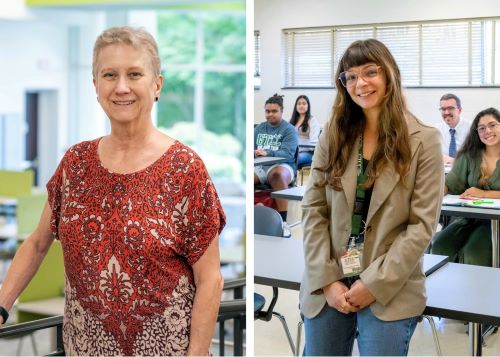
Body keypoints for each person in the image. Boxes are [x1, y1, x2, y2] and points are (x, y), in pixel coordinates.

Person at [0, 26, 225, 356]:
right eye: (109, 74)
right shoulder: (75, 163)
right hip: (83, 348)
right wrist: (3, 305)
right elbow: (36, 244)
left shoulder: (185, 169)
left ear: (156, 84)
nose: (121, 87)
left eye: (134, 74)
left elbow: (211, 280)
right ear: (96, 85)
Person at [299, 39, 444, 356]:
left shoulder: (425, 140)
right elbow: (313, 211)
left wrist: (374, 284)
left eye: (370, 72)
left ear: (390, 74)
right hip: (330, 276)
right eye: (350, 76)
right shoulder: (333, 133)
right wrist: (327, 281)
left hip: (390, 284)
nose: (359, 83)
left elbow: (421, 226)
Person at [432, 107, 500, 267]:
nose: (487, 131)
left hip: (496, 222)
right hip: (470, 218)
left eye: (492, 125)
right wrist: (436, 193)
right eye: (481, 128)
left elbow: (481, 193)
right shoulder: (470, 155)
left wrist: (483, 193)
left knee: (474, 252)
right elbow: (452, 182)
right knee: (440, 246)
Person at [254, 93, 298, 222]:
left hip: (283, 165)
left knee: (277, 175)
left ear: (281, 111)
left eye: (274, 111)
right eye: (267, 111)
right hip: (261, 166)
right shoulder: (259, 128)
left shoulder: (289, 129)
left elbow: (288, 153)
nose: (270, 114)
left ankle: (282, 221)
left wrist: (268, 153)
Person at [438, 93, 471, 165]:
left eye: (450, 108)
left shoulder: (471, 129)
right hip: (443, 172)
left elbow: (474, 156)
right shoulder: (436, 130)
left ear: (459, 110)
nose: (446, 112)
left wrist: (453, 161)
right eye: (443, 109)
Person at [289, 95, 321, 169]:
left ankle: (289, 178)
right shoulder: (293, 121)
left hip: (308, 153)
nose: (301, 106)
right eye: (299, 103)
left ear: (308, 106)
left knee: (293, 159)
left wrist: (300, 147)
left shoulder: (312, 120)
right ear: (296, 106)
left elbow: (314, 142)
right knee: (283, 158)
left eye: (304, 103)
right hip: (293, 152)